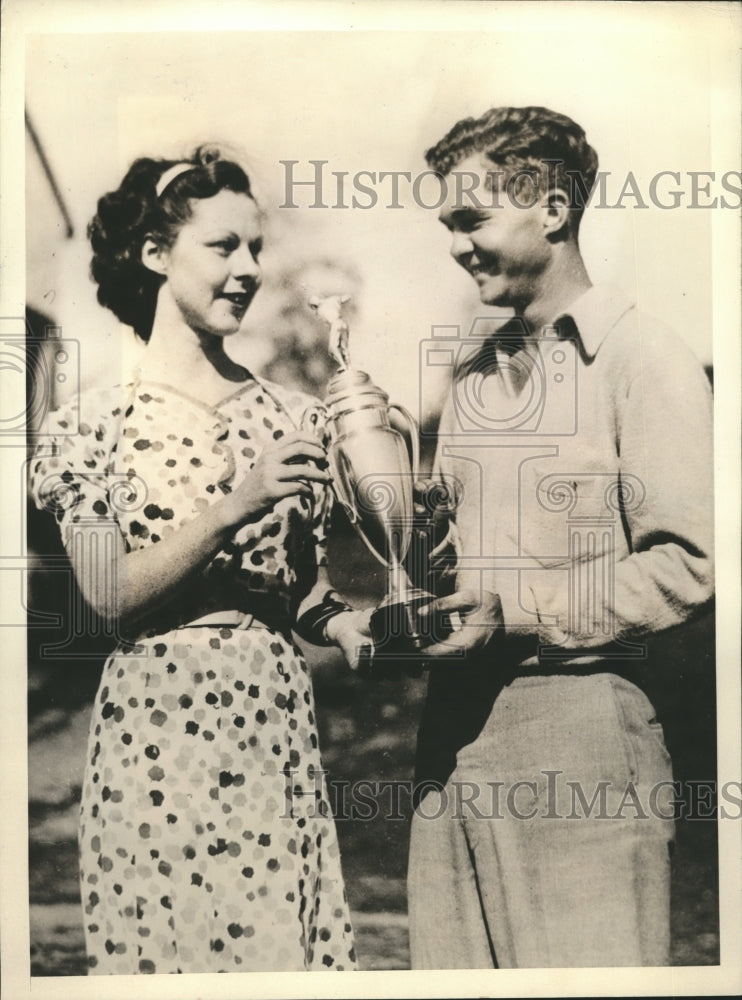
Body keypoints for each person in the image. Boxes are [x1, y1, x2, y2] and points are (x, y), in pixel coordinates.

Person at [28, 145, 371, 974]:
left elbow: (304, 591)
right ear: (154, 254)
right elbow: (107, 597)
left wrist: (347, 622)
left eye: (255, 248)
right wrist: (235, 505)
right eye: (224, 247)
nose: (249, 269)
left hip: (271, 728)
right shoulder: (91, 425)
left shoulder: (294, 414)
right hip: (157, 734)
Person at [407, 107, 714, 968]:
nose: (457, 245)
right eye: (448, 226)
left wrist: (520, 613)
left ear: (551, 208)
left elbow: (690, 565)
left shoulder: (644, 355)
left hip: (583, 731)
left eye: (471, 220)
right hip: (452, 740)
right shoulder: (471, 375)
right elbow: (455, 570)